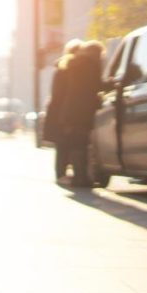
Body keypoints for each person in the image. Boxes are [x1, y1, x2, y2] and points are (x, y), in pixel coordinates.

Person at [59, 40, 105, 187]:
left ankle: (79, 177)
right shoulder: (91, 65)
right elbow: (96, 86)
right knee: (82, 145)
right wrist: (111, 83)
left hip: (72, 111)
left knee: (76, 145)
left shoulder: (76, 64)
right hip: (83, 111)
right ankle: (82, 178)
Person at [43, 39, 82, 181]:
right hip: (62, 112)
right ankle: (61, 174)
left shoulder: (62, 68)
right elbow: (61, 94)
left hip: (59, 111)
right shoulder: (66, 69)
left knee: (63, 145)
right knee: (64, 144)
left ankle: (62, 173)